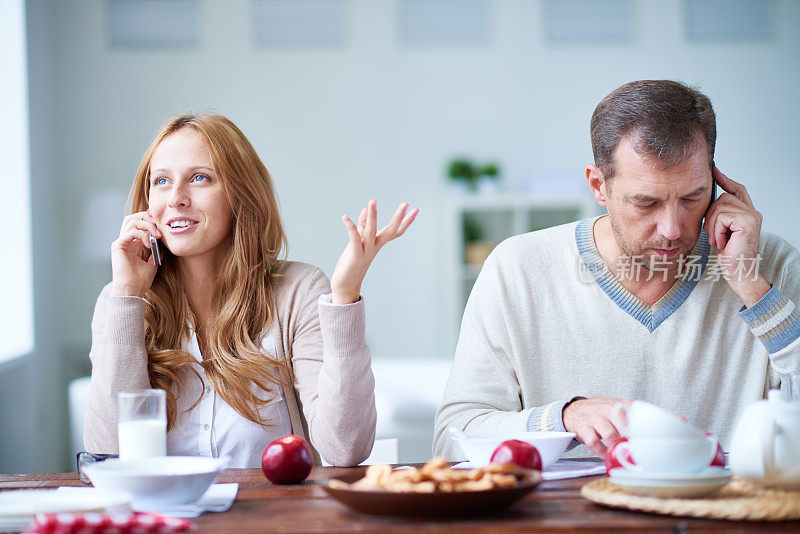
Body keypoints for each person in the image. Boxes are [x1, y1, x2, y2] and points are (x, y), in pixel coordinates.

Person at [434, 80, 799, 460]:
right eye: (646, 202)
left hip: (727, 517)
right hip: (569, 518)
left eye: (692, 197)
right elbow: (452, 439)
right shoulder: (516, 270)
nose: (672, 229)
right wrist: (563, 418)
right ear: (598, 186)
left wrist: (753, 287)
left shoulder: (770, 266)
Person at [84, 114, 418, 467]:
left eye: (199, 178)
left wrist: (345, 296)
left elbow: (344, 448)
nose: (176, 198)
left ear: (240, 195)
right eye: (162, 181)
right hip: (163, 520)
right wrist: (126, 297)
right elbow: (107, 454)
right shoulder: (119, 302)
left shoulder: (298, 293)